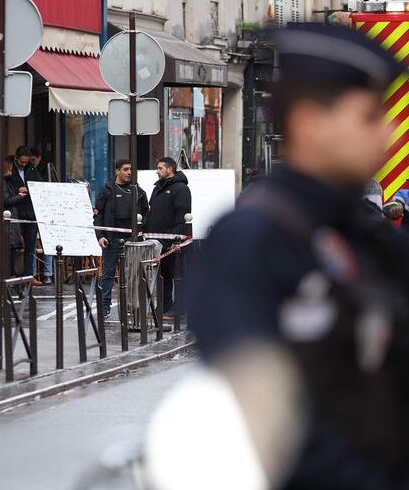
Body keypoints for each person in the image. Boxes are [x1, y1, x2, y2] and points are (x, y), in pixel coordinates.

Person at [186, 24, 409, 488]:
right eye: (369, 117)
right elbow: (266, 422)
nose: (387, 133)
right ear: (310, 124)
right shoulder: (250, 241)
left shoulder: (363, 231)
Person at [94, 159, 149, 318]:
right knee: (108, 274)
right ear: (117, 171)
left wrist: (140, 230)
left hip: (132, 241)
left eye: (131, 169)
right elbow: (98, 216)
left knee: (133, 274)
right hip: (111, 240)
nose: (129, 172)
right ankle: (105, 306)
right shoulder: (106, 190)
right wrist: (100, 236)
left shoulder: (138, 190)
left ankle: (132, 305)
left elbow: (146, 212)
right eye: (125, 169)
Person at [144, 156, 191, 319]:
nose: (157, 171)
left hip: (172, 241)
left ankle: (178, 309)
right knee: (163, 275)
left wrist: (175, 240)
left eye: (160, 168)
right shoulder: (158, 188)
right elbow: (152, 211)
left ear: (170, 169)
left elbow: (181, 215)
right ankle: (164, 306)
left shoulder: (181, 189)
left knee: (176, 275)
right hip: (157, 240)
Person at [6, 145, 42, 285]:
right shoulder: (10, 169)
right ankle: (12, 273)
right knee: (13, 244)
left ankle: (29, 275)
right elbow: (6, 188)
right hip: (15, 210)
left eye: (26, 162)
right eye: (21, 161)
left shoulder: (32, 169)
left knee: (30, 245)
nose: (24, 164)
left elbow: (39, 185)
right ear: (16, 158)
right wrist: (17, 190)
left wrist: (29, 188)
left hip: (30, 211)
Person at [30, 146, 52, 284]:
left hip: (44, 211)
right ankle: (35, 273)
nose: (32, 162)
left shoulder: (46, 172)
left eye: (33, 159)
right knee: (31, 243)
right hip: (32, 212)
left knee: (47, 242)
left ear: (39, 158)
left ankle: (48, 273)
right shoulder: (28, 171)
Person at [3, 156, 26, 278]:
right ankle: (9, 275)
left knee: (12, 250)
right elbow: (6, 201)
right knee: (9, 251)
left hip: (12, 220)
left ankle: (10, 275)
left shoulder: (8, 181)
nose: (11, 172)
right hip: (8, 220)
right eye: (9, 170)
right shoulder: (2, 182)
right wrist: (20, 196)